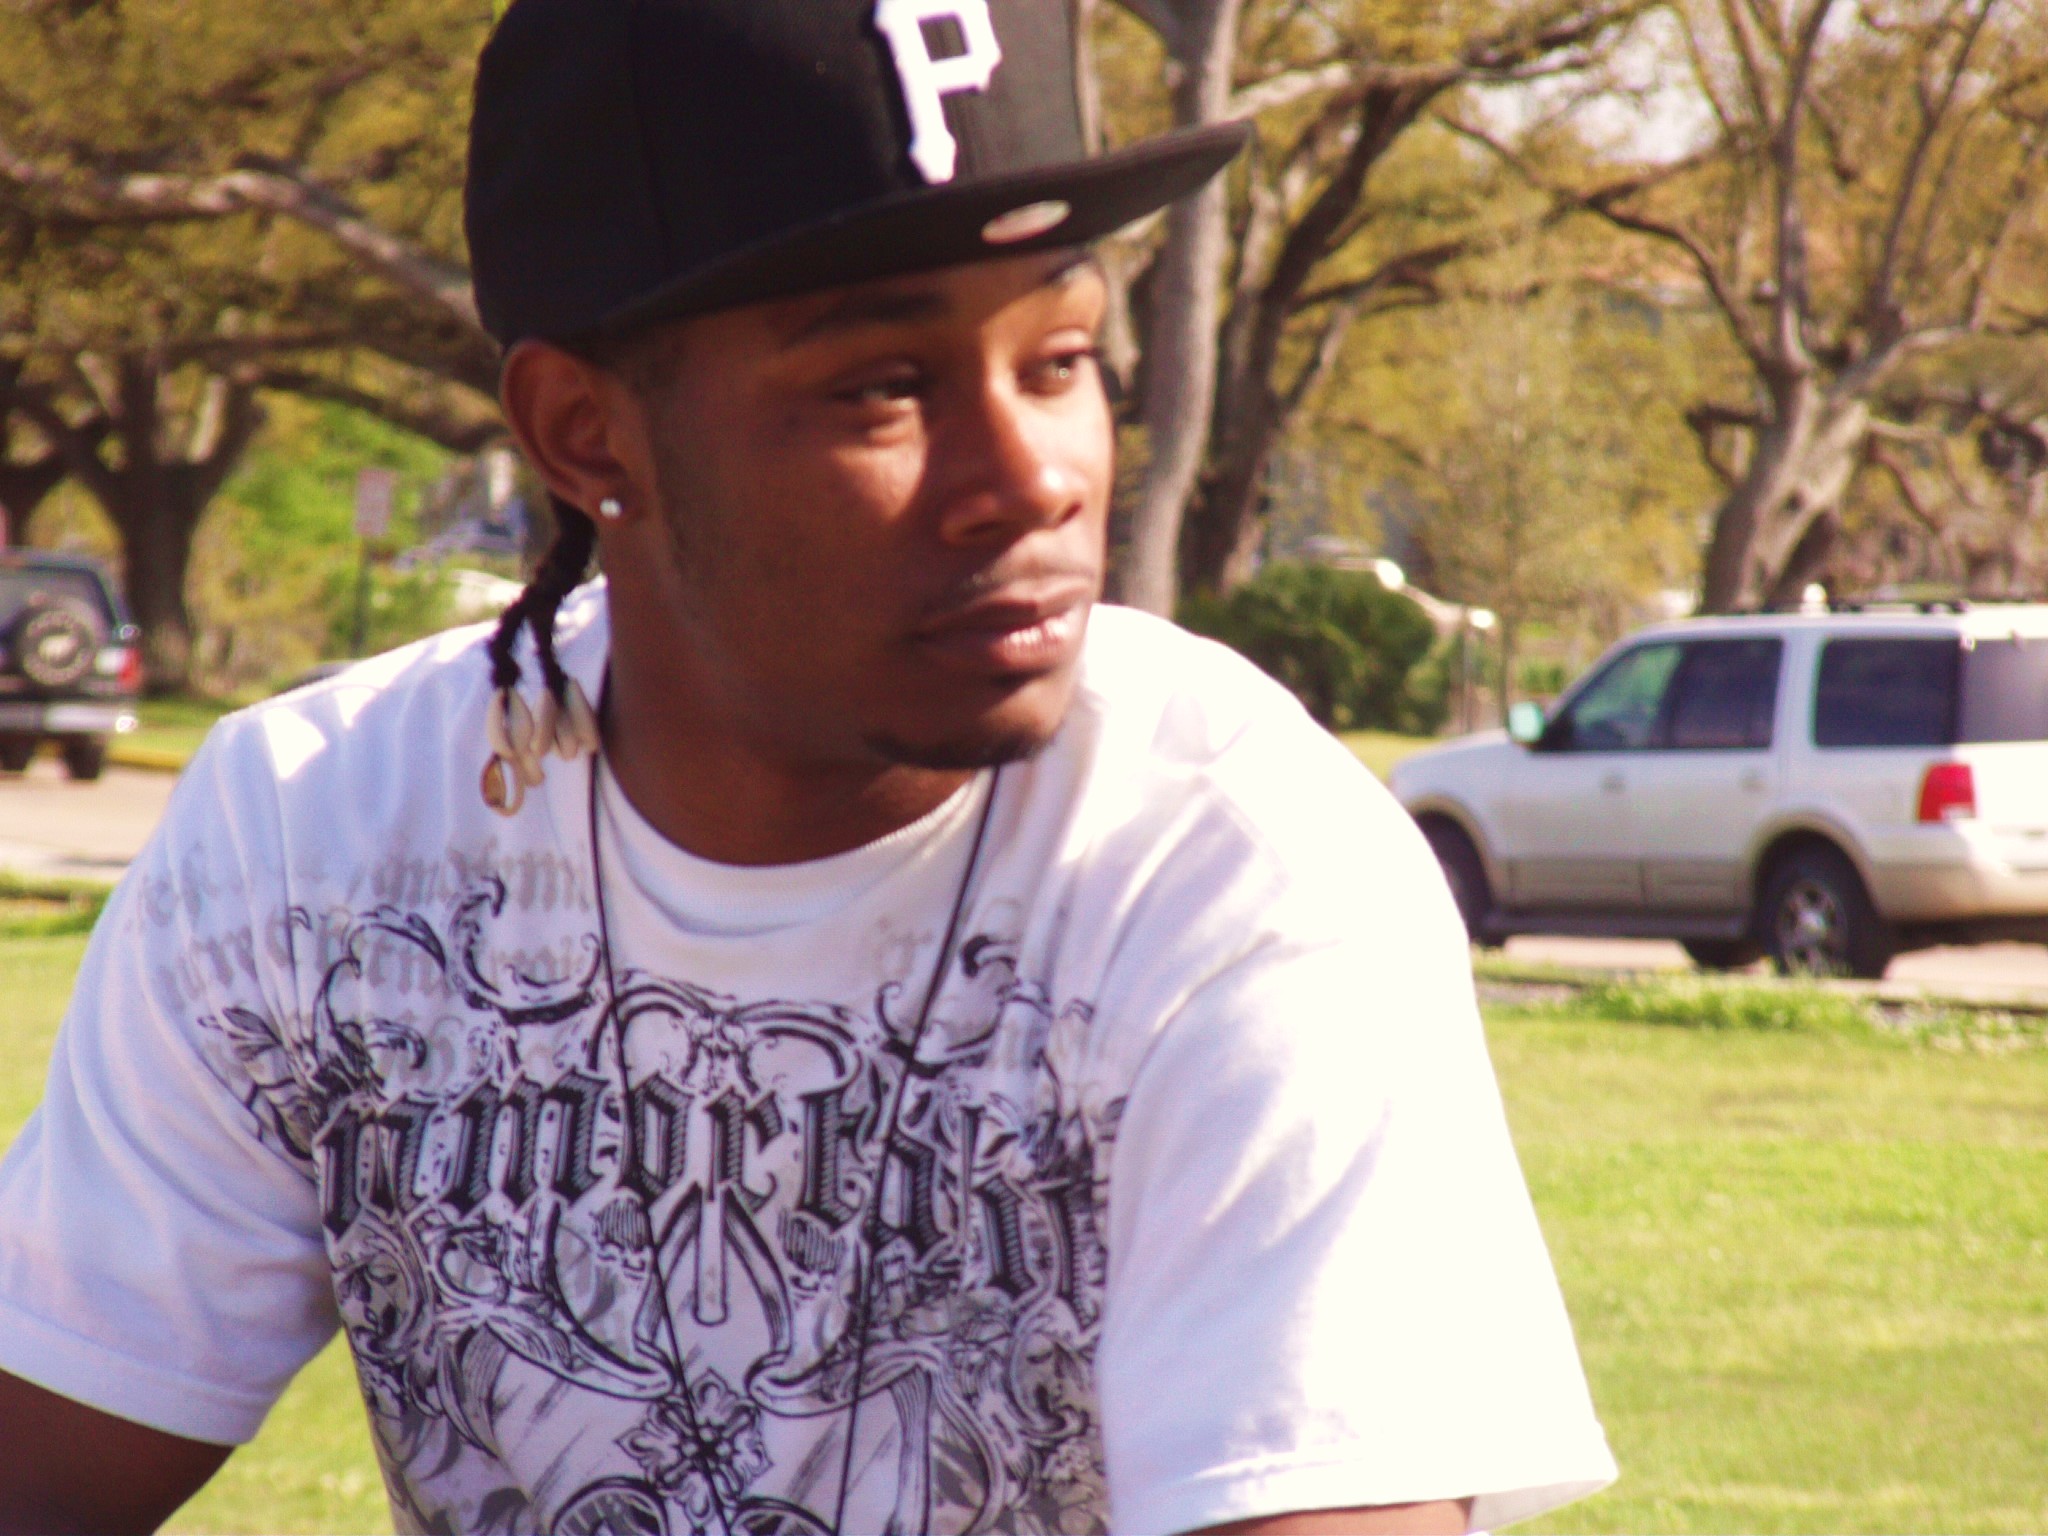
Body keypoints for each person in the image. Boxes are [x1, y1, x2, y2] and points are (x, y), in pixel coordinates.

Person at [0, 1, 1617, 1531]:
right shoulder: (315, 841)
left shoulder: (1237, 866)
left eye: (1061, 360)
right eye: (884, 387)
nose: (1031, 480)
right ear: (585, 435)